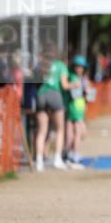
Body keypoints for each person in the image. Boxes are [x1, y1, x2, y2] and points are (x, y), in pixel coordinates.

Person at [34, 43, 72, 171]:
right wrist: (75, 85)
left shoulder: (40, 65)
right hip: (55, 95)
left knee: (41, 130)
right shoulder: (61, 65)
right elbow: (65, 85)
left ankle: (39, 161)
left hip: (41, 95)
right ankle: (57, 158)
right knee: (60, 129)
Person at [63, 55, 89, 169]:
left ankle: (69, 154)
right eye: (77, 66)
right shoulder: (73, 78)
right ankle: (73, 156)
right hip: (74, 107)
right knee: (78, 133)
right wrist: (82, 90)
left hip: (79, 108)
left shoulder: (82, 78)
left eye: (81, 67)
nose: (79, 69)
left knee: (77, 134)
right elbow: (75, 93)